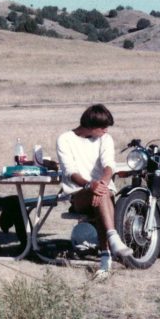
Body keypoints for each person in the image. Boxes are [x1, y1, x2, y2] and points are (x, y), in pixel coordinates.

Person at [56, 104, 132, 277]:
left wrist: (101, 184)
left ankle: (109, 250)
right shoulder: (65, 139)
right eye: (103, 127)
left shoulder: (105, 138)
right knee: (101, 194)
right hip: (79, 193)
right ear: (90, 126)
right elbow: (70, 171)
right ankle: (111, 244)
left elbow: (108, 165)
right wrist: (90, 186)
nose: (106, 131)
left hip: (102, 191)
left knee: (102, 194)